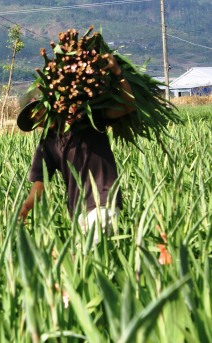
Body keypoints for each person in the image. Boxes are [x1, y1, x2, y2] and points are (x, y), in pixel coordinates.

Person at [18, 54, 136, 244]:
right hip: (77, 211)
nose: (36, 117)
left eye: (37, 110)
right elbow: (39, 185)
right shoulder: (47, 144)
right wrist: (25, 208)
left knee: (94, 255)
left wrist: (117, 72)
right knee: (84, 267)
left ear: (50, 103)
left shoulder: (87, 119)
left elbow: (128, 105)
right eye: (32, 117)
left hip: (103, 202)